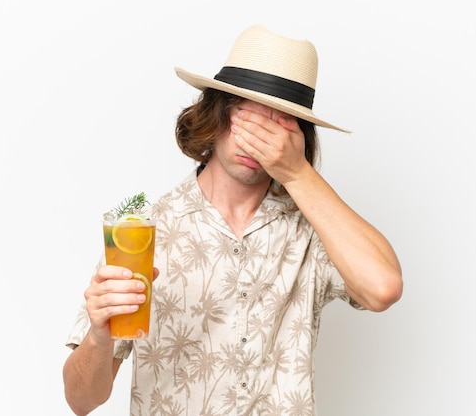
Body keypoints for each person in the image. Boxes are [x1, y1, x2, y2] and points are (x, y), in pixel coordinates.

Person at [63, 24, 403, 416]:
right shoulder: (143, 232)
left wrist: (297, 174)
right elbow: (81, 401)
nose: (258, 140)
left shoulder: (313, 230)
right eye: (248, 117)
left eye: (278, 126)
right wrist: (98, 338)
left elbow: (384, 288)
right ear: (217, 113)